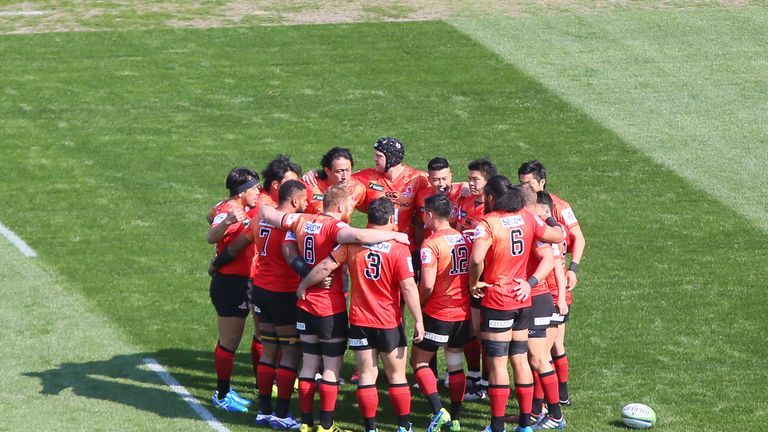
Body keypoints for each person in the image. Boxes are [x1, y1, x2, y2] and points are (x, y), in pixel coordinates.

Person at [259, 186, 410, 432]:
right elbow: (360, 237)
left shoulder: (302, 220)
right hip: (329, 307)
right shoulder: (335, 227)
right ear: (339, 207)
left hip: (304, 303)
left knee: (308, 363)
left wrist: (304, 283)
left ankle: (306, 423)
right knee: (330, 367)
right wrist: (393, 236)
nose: (352, 209)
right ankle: (326, 425)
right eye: (350, 205)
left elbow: (268, 213)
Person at [297, 198, 425, 432]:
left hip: (359, 321)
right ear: (390, 219)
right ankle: (404, 427)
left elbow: (325, 267)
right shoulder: (399, 248)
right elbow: (408, 287)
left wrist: (304, 284)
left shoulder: (351, 245)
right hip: (388, 321)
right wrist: (418, 320)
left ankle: (370, 428)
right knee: (396, 376)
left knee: (367, 375)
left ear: (368, 219)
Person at [210, 180, 310, 428]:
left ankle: (264, 410)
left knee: (269, 349)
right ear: (295, 201)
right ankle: (282, 414)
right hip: (283, 293)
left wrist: (216, 263)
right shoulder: (294, 225)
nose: (307, 204)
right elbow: (292, 257)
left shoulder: (259, 220)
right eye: (305, 200)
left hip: (260, 291)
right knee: (290, 352)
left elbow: (235, 247)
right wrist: (313, 275)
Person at [469, 177, 564, 432]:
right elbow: (557, 236)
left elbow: (477, 257)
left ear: (490, 198)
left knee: (499, 363)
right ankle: (525, 425)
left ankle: (497, 427)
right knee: (521, 361)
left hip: (499, 299)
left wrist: (475, 281)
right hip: (524, 300)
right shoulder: (527, 217)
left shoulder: (489, 222)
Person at [518, 160, 584, 405]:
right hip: (547, 290)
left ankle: (546, 406)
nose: (525, 187)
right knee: (551, 346)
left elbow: (578, 240)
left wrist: (573, 269)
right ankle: (555, 399)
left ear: (542, 182)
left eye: (529, 183)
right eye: (521, 183)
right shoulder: (526, 209)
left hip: (552, 290)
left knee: (542, 352)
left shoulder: (557, 208)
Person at [411, 194, 472, 432]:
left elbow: (427, 284)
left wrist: (419, 303)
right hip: (462, 313)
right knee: (455, 363)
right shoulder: (462, 238)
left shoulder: (431, 244)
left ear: (430, 214)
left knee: (419, 362)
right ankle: (456, 418)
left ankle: (439, 411)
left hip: (438, 313)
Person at [207, 167, 262, 412]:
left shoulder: (229, 205)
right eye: (254, 189)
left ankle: (263, 386)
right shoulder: (232, 211)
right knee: (230, 341)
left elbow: (209, 215)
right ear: (243, 192)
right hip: (231, 284)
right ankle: (221, 394)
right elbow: (211, 234)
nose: (258, 193)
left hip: (252, 281)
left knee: (262, 333)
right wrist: (227, 222)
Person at [517, 186, 565, 430]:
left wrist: (531, 282)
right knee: (528, 358)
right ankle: (536, 412)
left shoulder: (536, 226)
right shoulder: (531, 224)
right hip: (527, 298)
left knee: (538, 357)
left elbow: (552, 261)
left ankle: (555, 414)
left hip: (538, 298)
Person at [455, 158, 497, 400]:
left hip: (486, 278)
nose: (470, 183)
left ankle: (487, 381)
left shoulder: (494, 208)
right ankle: (474, 376)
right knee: (472, 329)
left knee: (485, 333)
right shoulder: (466, 200)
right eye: (469, 178)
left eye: (475, 179)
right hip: (467, 274)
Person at [303, 147, 367, 223]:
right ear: (327, 171)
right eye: (340, 171)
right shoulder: (309, 188)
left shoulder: (357, 189)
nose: (344, 177)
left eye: (348, 170)